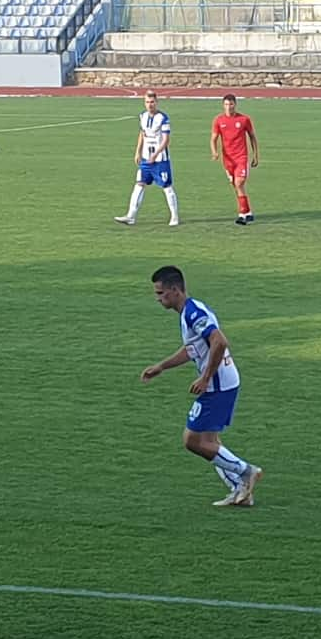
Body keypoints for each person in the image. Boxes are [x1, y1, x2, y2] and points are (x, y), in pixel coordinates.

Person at [140, 266, 263, 508]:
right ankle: (241, 491)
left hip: (219, 386)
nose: (158, 298)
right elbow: (192, 349)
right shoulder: (188, 312)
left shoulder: (193, 313)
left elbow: (219, 341)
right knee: (209, 441)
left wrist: (206, 377)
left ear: (175, 290)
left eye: (160, 293)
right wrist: (162, 366)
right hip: (223, 382)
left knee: (192, 440)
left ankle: (246, 472)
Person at [116, 91, 180, 227]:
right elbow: (142, 134)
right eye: (147, 102)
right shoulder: (142, 116)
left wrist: (155, 154)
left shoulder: (163, 118)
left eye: (152, 102)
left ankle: (174, 216)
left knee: (166, 186)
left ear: (156, 102)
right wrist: (138, 152)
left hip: (160, 160)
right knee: (139, 184)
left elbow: (166, 140)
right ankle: (131, 216)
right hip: (146, 159)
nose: (150, 105)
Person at [210, 94, 259, 225]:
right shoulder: (219, 120)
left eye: (231, 104)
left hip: (241, 157)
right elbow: (214, 138)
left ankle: (242, 214)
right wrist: (215, 152)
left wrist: (255, 155)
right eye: (226, 104)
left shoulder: (244, 119)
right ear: (223, 105)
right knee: (236, 186)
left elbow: (252, 137)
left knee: (239, 183)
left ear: (235, 105)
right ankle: (248, 212)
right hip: (228, 160)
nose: (228, 107)